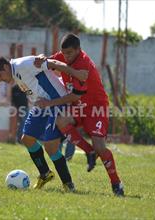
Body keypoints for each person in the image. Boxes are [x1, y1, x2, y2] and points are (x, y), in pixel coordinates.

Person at [34, 33, 124, 197]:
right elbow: (49, 61)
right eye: (64, 53)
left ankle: (116, 183)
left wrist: (48, 103)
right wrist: (42, 57)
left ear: (78, 50)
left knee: (100, 147)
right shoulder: (63, 55)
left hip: (96, 108)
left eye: (69, 53)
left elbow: (75, 95)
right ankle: (89, 152)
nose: (66, 56)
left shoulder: (83, 64)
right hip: (79, 107)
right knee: (62, 120)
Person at [0, 54, 92, 192]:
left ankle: (68, 184)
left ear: (5, 67)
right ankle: (45, 174)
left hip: (57, 102)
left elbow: (53, 63)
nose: (0, 80)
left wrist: (76, 73)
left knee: (50, 146)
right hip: (41, 106)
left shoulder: (23, 65)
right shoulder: (15, 72)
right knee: (27, 139)